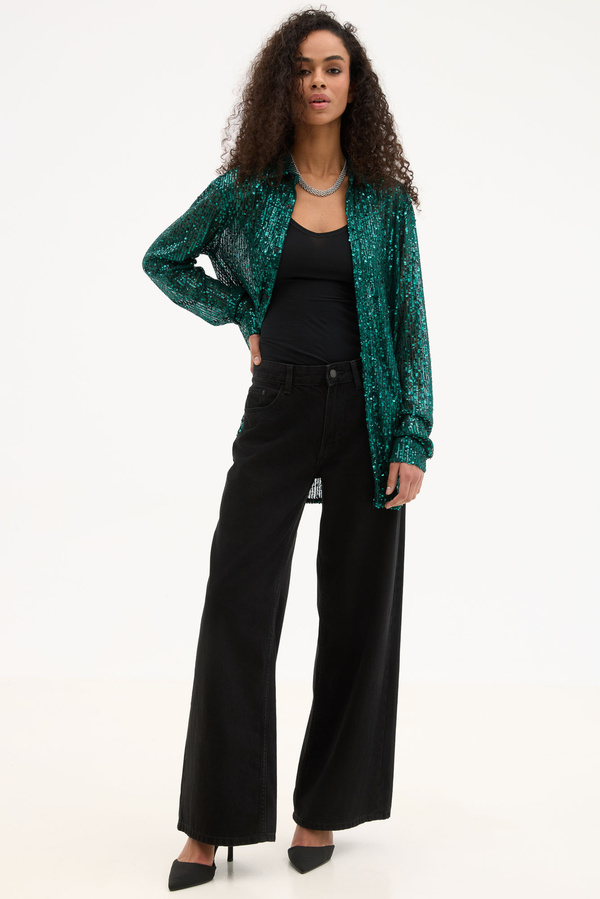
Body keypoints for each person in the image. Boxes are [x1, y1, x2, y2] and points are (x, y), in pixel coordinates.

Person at [142, 7, 433, 890]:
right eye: (303, 68)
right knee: (238, 602)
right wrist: (240, 313)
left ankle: (322, 806)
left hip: (369, 416)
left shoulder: (385, 203)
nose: (317, 82)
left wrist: (413, 435)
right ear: (284, 83)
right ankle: (212, 820)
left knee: (357, 615)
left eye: (333, 67)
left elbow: (411, 326)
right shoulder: (248, 189)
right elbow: (165, 258)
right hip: (278, 410)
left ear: (354, 84)